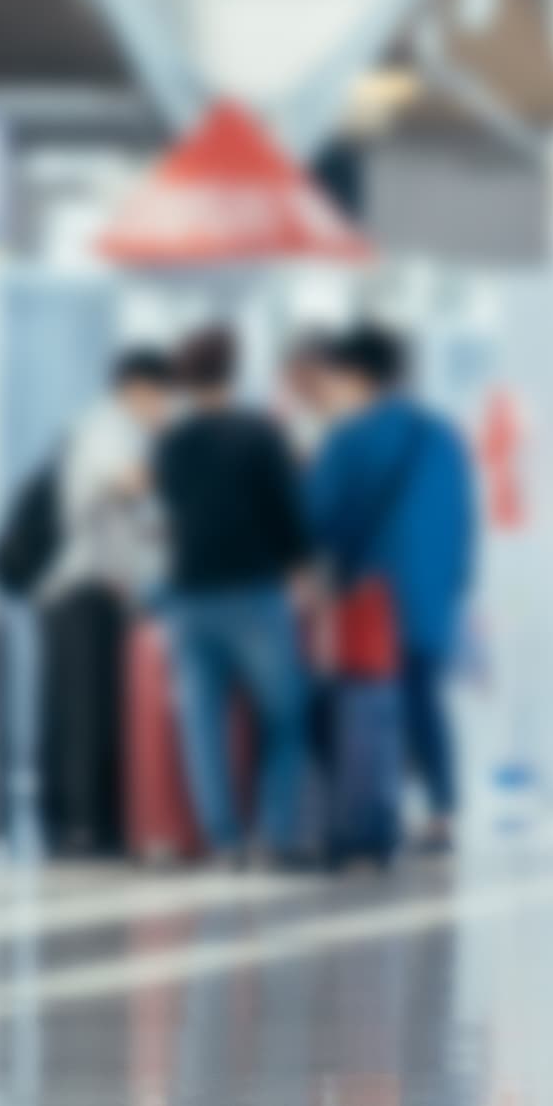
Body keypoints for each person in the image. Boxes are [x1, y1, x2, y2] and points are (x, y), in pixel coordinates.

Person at [303, 324, 479, 850]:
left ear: (355, 377)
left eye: (332, 378)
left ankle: (375, 813)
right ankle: (444, 810)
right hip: (435, 594)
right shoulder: (442, 434)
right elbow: (465, 519)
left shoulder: (348, 438)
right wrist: (456, 584)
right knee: (425, 700)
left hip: (373, 598)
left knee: (368, 709)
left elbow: (315, 515)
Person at [148, 327, 316, 865]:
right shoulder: (261, 434)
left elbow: (169, 513)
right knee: (286, 715)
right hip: (252, 593)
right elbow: (284, 515)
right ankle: (277, 835)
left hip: (188, 596)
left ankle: (224, 841)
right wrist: (300, 566)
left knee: (203, 723)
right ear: (234, 371)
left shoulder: (169, 442)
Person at [37, 349, 177, 856]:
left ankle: (90, 820)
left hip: (101, 590)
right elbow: (128, 481)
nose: (165, 409)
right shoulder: (106, 428)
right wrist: (179, 457)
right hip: (82, 590)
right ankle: (81, 825)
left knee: (94, 710)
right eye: (163, 397)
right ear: (139, 388)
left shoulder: (116, 429)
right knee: (84, 714)